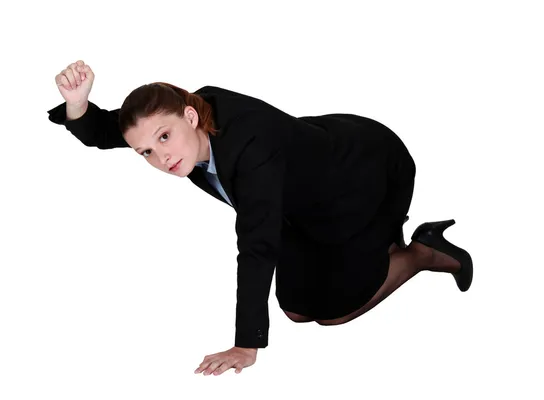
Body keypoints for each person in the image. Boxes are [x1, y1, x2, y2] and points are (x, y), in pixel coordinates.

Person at [47, 60, 473, 376]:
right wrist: (78, 104)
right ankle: (373, 253)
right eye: (147, 153)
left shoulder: (251, 150)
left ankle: (422, 252)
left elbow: (256, 244)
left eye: (164, 138)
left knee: (334, 314)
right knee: (297, 311)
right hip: (296, 198)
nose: (163, 158)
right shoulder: (179, 119)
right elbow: (113, 132)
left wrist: (245, 345)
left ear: (190, 117)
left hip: (363, 179)